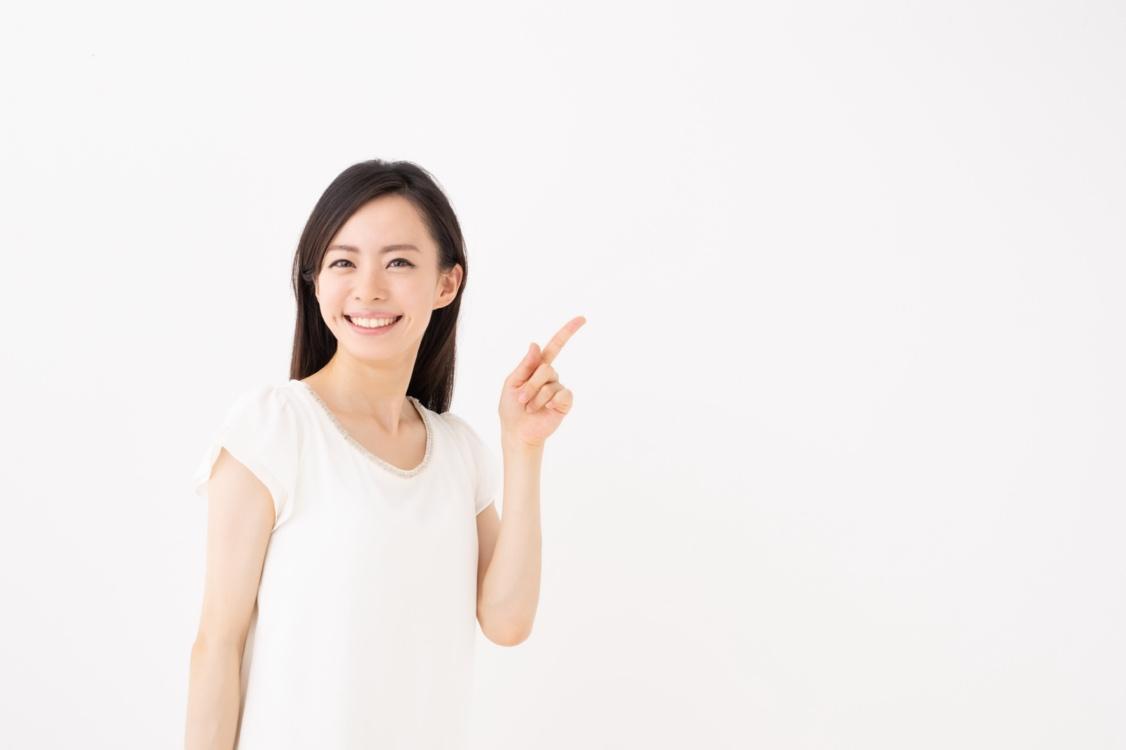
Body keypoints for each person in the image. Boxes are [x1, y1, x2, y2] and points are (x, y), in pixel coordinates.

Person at [183, 159, 585, 749]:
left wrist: (522, 448)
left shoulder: (457, 453)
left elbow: (507, 621)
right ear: (315, 281)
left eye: (398, 262)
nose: (368, 288)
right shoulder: (275, 428)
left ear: (447, 284)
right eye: (343, 262)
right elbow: (218, 645)